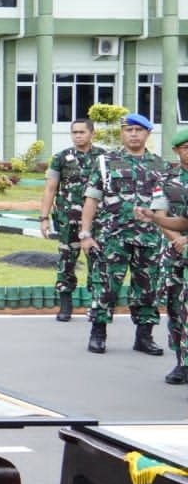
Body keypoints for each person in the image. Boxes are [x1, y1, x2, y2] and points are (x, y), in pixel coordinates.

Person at [79, 112, 170, 356]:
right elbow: (91, 199)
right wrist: (86, 234)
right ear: (122, 133)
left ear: (147, 134)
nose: (133, 134)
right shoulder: (106, 162)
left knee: (148, 288)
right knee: (106, 286)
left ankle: (144, 337)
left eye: (138, 130)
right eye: (128, 130)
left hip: (150, 239)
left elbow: (166, 204)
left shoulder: (160, 165)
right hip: (114, 238)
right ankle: (98, 334)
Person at [39, 118, 101, 322]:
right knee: (66, 260)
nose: (78, 136)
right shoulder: (61, 157)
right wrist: (43, 217)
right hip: (68, 220)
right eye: (74, 132)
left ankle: (96, 305)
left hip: (97, 221)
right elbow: (50, 188)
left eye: (82, 132)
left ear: (92, 133)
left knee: (97, 261)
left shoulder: (104, 157)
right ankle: (65, 305)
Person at [147, 128, 188, 383]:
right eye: (185, 148)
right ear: (176, 151)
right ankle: (182, 361)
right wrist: (179, 242)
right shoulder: (166, 179)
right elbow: (160, 217)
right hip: (176, 255)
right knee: (176, 308)